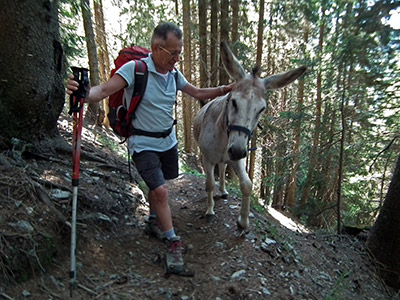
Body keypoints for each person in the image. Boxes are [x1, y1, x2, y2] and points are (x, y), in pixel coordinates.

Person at [66, 22, 234, 274]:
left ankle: (154, 221)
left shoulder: (173, 74)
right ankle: (173, 242)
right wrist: (82, 91)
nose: (177, 59)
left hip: (168, 141)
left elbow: (197, 93)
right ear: (157, 48)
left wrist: (227, 89)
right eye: (173, 53)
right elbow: (102, 90)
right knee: (161, 192)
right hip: (142, 143)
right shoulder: (136, 69)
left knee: (163, 184)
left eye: (180, 53)